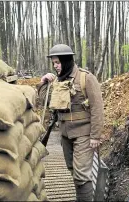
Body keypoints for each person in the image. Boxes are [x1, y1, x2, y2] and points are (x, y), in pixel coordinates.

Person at [37, 44, 104, 201]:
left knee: (81, 174)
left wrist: (95, 135)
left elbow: (97, 108)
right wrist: (43, 83)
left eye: (58, 62)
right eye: (53, 63)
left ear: (67, 61)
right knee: (72, 170)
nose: (55, 66)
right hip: (65, 133)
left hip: (84, 134)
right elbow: (46, 102)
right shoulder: (58, 81)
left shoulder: (86, 78)